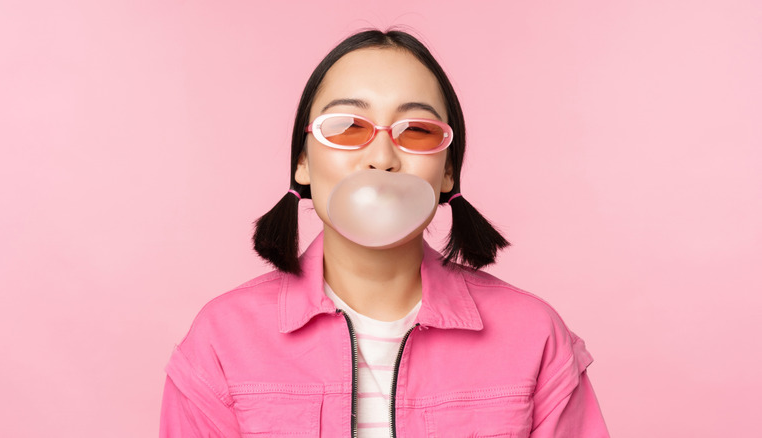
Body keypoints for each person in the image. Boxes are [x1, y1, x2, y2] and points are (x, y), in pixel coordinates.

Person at [160, 29, 610, 437]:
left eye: (415, 130)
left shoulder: (535, 338)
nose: (381, 157)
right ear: (302, 162)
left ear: (448, 170)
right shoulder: (222, 341)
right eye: (347, 128)